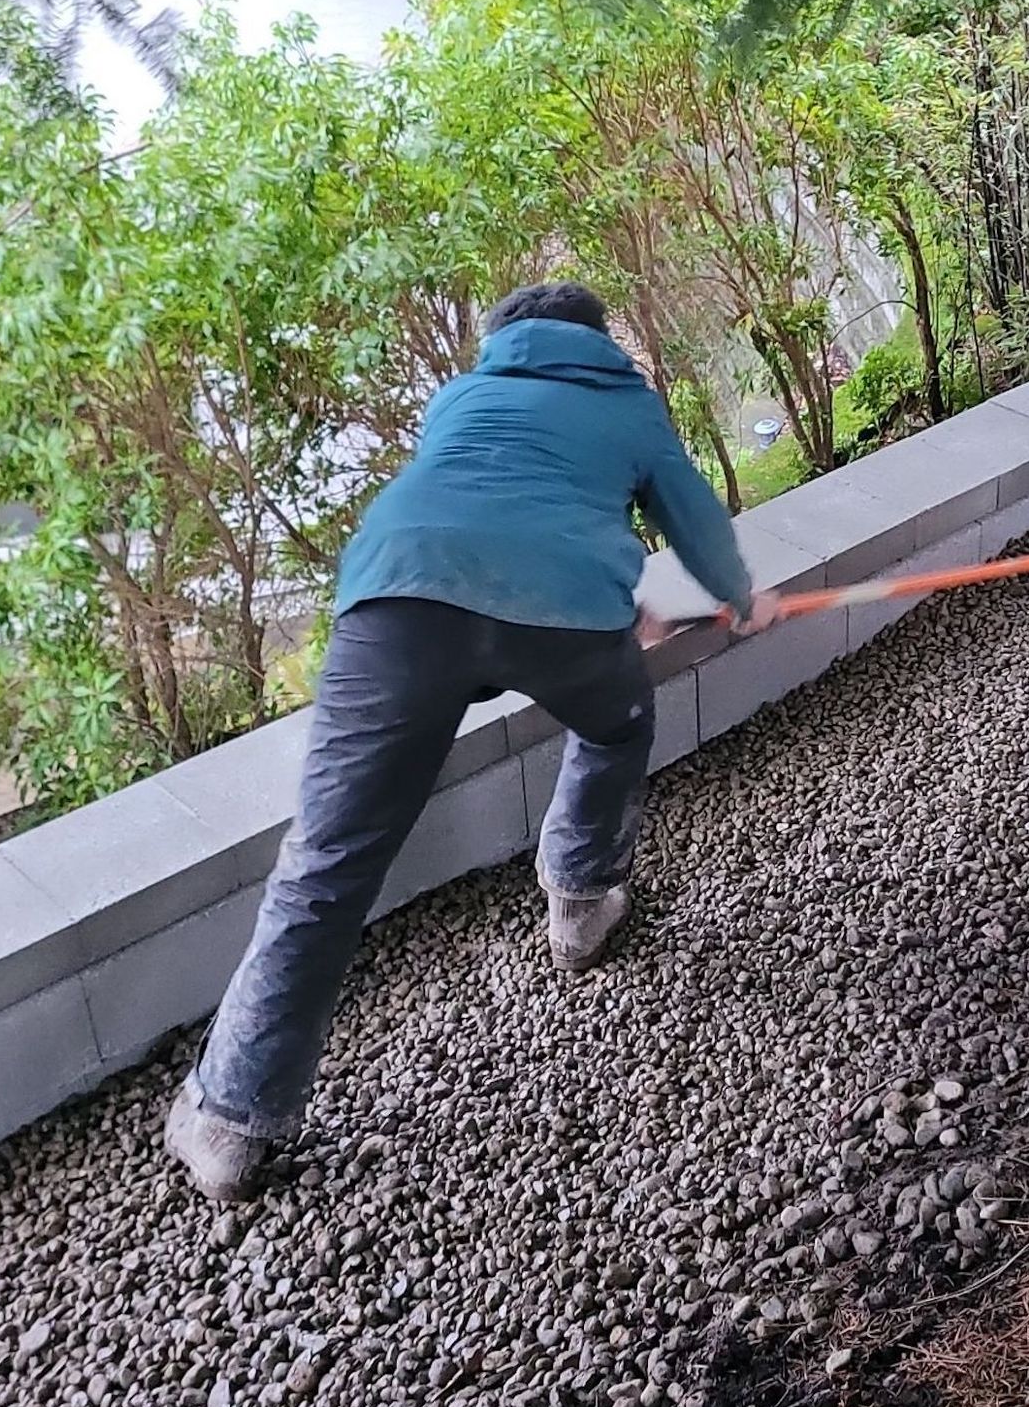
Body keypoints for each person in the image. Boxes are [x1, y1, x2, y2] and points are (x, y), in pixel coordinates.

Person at [164, 281, 774, 1205]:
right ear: (598, 342)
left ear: (505, 341)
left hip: (395, 610)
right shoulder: (629, 404)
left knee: (325, 862)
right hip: (560, 620)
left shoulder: (460, 395)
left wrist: (605, 605)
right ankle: (579, 898)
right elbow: (684, 518)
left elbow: (483, 514)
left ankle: (228, 1119)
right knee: (617, 723)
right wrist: (733, 597)